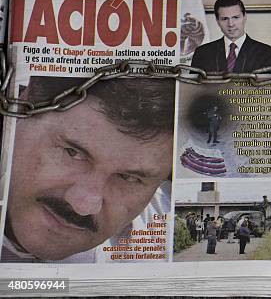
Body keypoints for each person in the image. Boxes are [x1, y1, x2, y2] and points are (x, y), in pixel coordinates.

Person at [2, 76, 174, 263]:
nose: (83, 206)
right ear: (18, 109)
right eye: (72, 152)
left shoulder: (161, 239)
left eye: (128, 178)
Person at [191, 0, 271, 73]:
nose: (231, 24)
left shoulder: (266, 53)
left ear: (244, 17)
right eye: (224, 19)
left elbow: (267, 88)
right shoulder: (202, 53)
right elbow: (192, 88)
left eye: (235, 17)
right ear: (217, 21)